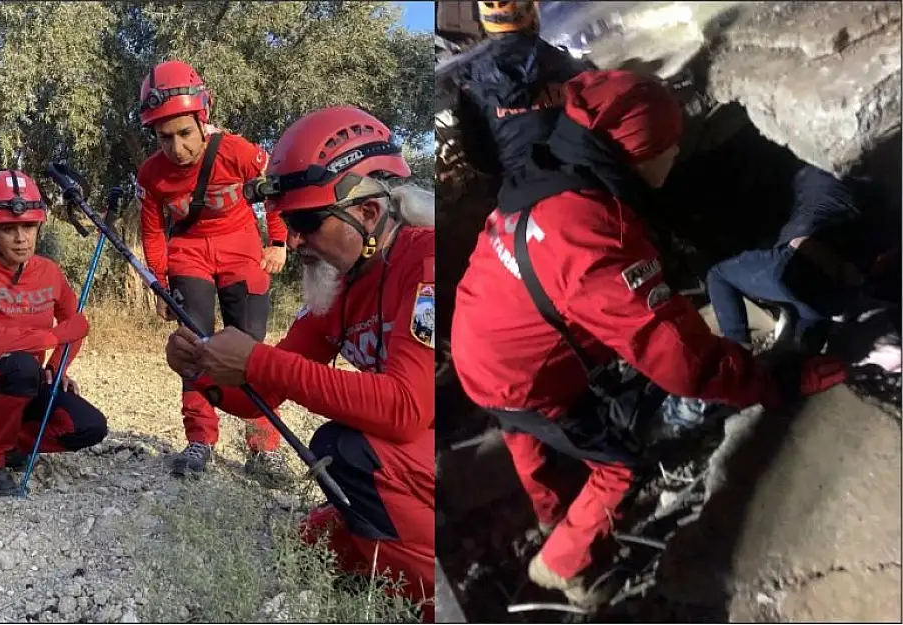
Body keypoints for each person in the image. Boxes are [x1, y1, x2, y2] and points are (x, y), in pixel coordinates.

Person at [449, 70, 848, 608]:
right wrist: (772, 380)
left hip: (478, 343)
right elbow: (683, 363)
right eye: (668, 143)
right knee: (618, 463)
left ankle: (550, 516)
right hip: (525, 379)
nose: (677, 149)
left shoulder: (546, 173)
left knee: (525, 432)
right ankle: (560, 564)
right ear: (635, 152)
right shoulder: (598, 237)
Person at [163, 106, 436, 619]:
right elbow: (257, 398)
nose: (296, 240)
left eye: (307, 222)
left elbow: (406, 408)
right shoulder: (338, 283)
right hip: (426, 454)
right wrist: (202, 369)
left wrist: (259, 361)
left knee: (345, 448)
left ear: (368, 213)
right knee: (311, 543)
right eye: (289, 223)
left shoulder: (429, 266)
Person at [135, 59, 291, 481]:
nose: (177, 148)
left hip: (242, 249)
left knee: (252, 347)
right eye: (164, 138)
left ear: (203, 118)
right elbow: (152, 231)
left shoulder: (237, 150)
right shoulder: (151, 173)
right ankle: (200, 439)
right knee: (194, 346)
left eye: (185, 133)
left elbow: (275, 187)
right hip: (189, 254)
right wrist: (159, 281)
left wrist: (277, 241)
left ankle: (263, 447)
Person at [0, 170, 108, 497]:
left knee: (89, 426)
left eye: (28, 226)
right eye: (9, 229)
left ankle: (9, 442)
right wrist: (57, 337)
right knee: (21, 364)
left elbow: (75, 324)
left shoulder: (50, 272)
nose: (21, 238)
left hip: (22, 382)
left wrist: (56, 369)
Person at [707, 164, 898, 354]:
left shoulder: (786, 282)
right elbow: (718, 276)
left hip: (859, 193)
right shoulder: (782, 277)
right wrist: (736, 344)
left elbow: (719, 276)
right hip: (846, 193)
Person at [453, 0, 592, 180]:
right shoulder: (567, 65)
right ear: (531, 14)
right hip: (582, 176)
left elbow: (479, 157)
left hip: (520, 189)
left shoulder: (471, 81)